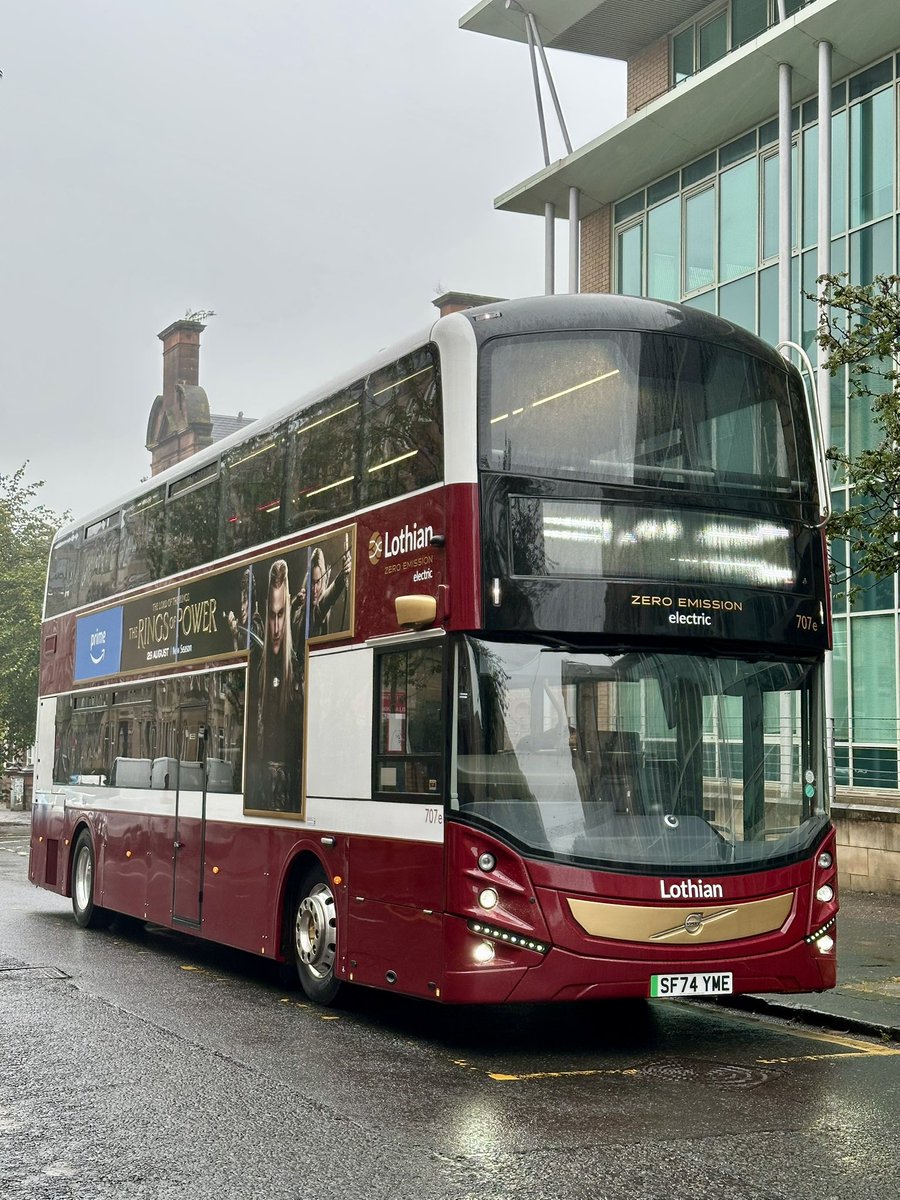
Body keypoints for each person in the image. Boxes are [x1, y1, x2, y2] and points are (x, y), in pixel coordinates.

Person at [253, 558, 303, 813]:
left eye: (281, 614)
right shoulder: (257, 667)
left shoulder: (297, 669)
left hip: (287, 792)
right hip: (260, 791)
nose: (276, 626)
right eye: (272, 615)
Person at [303, 538, 352, 639]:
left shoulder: (319, 608)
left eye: (318, 582)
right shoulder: (301, 607)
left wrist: (343, 574)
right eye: (312, 582)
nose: (314, 589)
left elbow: (329, 596)